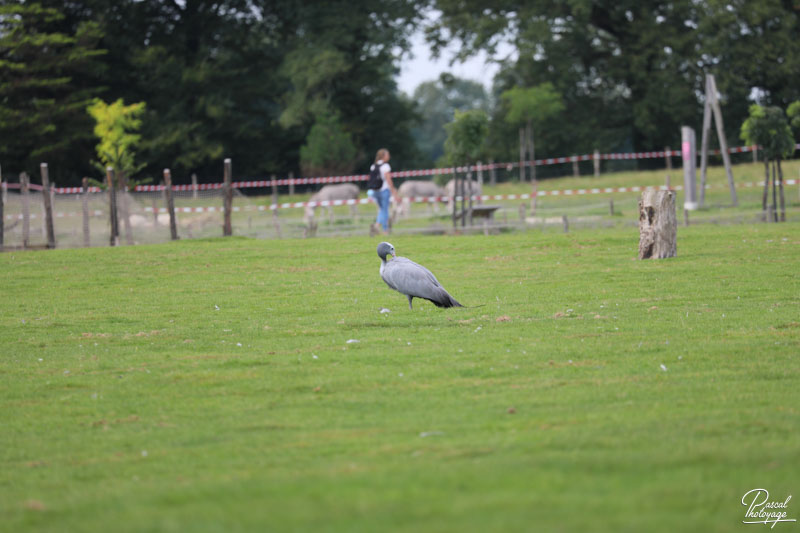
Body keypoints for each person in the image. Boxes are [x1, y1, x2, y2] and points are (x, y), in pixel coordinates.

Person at [368, 148, 397, 235]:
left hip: (375, 191)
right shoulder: (386, 166)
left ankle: (377, 225)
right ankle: (385, 230)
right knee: (385, 210)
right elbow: (388, 180)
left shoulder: (373, 166)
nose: (389, 156)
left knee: (382, 210)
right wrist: (393, 191)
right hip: (384, 190)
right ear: (383, 156)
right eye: (388, 155)